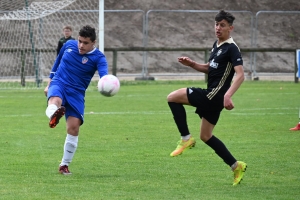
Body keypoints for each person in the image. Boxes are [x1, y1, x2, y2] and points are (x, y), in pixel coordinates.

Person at [167, 10, 247, 186]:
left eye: (222, 25)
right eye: (217, 24)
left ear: (230, 28)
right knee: (206, 136)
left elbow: (240, 75)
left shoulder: (232, 48)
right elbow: (211, 68)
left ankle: (186, 139)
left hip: (214, 95)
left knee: (172, 97)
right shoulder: (217, 45)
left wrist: (228, 94)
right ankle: (236, 166)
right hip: (214, 96)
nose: (218, 28)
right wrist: (192, 64)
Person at [44, 25, 108, 175]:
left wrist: (107, 83)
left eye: (85, 43)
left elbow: (104, 75)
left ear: (93, 42)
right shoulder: (68, 45)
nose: (81, 45)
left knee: (73, 128)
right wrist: (49, 83)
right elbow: (57, 62)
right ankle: (54, 114)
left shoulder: (98, 57)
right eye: (79, 41)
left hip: (77, 93)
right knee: (55, 100)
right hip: (59, 82)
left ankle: (64, 165)